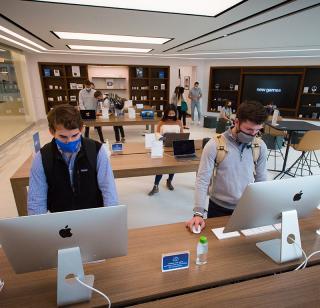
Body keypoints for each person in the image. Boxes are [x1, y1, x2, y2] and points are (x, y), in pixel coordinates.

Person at [186, 101, 268, 232]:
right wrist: (198, 213)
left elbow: (262, 180)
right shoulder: (214, 145)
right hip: (218, 208)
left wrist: (262, 207)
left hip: (246, 208)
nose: (253, 134)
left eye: (257, 130)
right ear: (236, 122)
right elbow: (202, 180)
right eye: (249, 129)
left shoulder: (260, 146)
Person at [27, 104, 118, 215]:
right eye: (63, 137)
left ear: (81, 129)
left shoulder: (96, 150)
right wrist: (38, 226)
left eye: (75, 136)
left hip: (93, 213)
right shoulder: (42, 157)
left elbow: (108, 188)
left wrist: (111, 216)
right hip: (60, 217)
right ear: (52, 132)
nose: (69, 141)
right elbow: (36, 199)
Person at [148, 104, 183, 196]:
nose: (171, 115)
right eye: (169, 113)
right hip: (163, 147)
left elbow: (182, 134)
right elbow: (157, 133)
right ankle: (156, 186)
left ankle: (169, 181)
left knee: (173, 166)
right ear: (166, 113)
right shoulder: (161, 122)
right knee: (161, 167)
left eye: (173, 113)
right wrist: (160, 138)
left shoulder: (179, 122)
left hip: (176, 146)